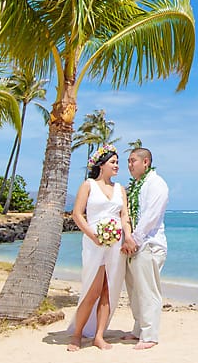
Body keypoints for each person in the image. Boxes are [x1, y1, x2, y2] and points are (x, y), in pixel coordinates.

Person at [66, 143, 137, 351]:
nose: (117, 166)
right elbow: (77, 214)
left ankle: (99, 335)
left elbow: (124, 215)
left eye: (117, 162)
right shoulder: (88, 185)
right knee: (93, 289)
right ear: (102, 164)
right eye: (113, 162)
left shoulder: (120, 189)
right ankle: (77, 335)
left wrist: (128, 236)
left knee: (109, 289)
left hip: (115, 243)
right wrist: (93, 235)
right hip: (94, 243)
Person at [122, 147, 168, 350]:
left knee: (148, 290)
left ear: (146, 162)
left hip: (150, 244)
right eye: (129, 161)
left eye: (133, 161)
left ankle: (150, 335)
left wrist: (135, 239)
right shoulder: (138, 185)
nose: (129, 165)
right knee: (134, 290)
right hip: (135, 244)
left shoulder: (157, 184)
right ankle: (138, 328)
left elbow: (151, 216)